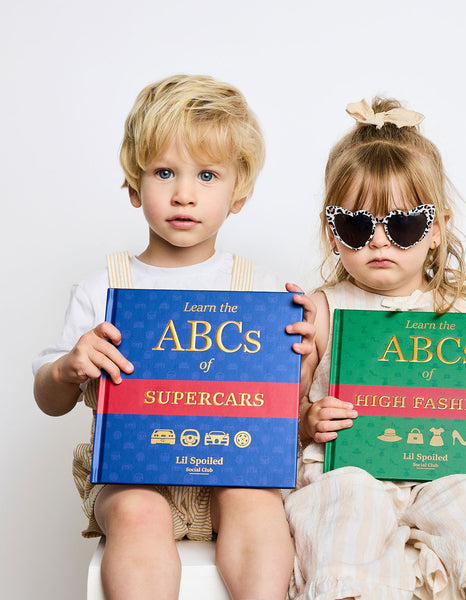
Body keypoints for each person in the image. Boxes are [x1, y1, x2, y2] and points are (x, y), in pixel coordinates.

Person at [32, 74, 315, 600]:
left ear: (239, 195)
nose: (184, 194)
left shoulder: (259, 288)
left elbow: (284, 407)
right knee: (140, 512)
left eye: (208, 175)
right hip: (131, 479)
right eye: (165, 172)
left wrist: (300, 355)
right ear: (135, 185)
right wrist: (69, 366)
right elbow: (49, 400)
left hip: (232, 473)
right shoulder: (105, 287)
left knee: (258, 505)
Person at [284, 98, 466, 600]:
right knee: (347, 527)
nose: (378, 241)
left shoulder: (462, 317)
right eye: (355, 225)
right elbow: (279, 414)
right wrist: (308, 421)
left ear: (436, 229)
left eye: (403, 225)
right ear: (332, 233)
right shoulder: (321, 311)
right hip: (348, 472)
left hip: (443, 470)